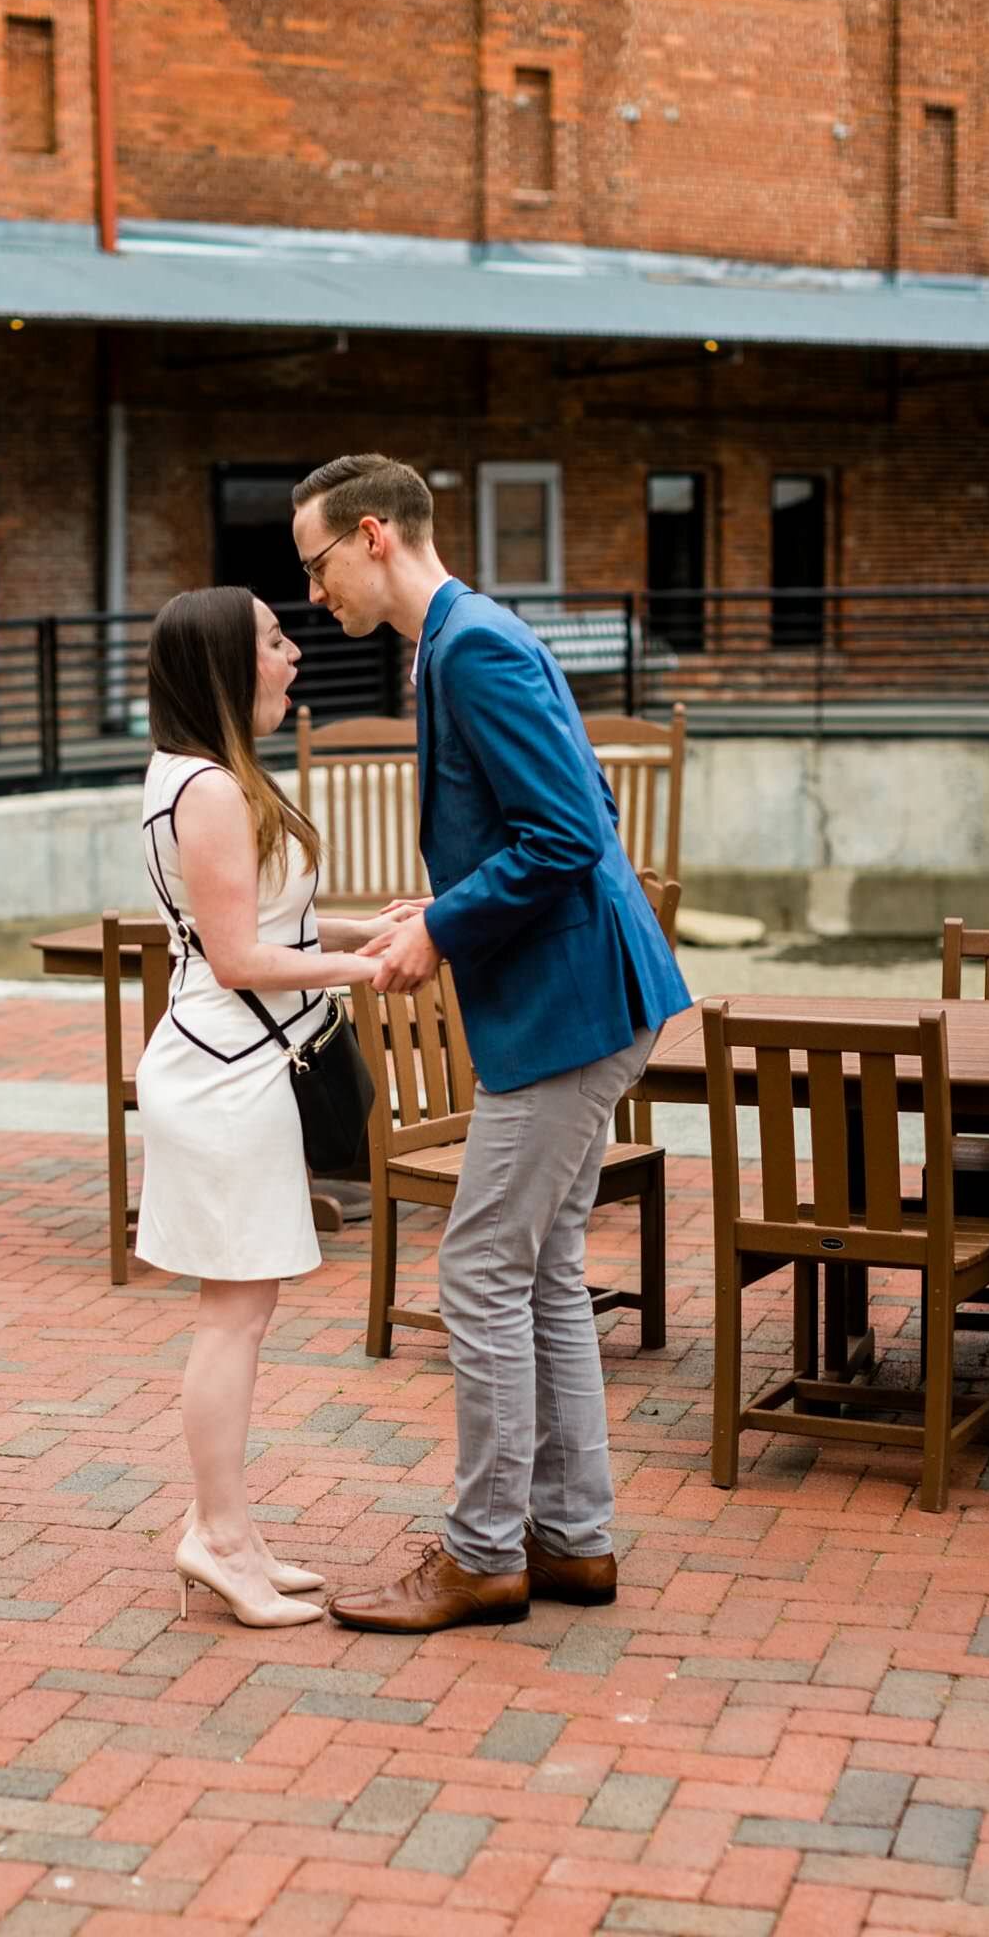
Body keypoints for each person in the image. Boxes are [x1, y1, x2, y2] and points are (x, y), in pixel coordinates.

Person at [291, 455, 691, 1634]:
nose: (316, 596)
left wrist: (451, 925)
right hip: (588, 991)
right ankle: (571, 1541)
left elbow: (571, 832)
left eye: (316, 566)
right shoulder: (463, 638)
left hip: (570, 1004)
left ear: (371, 535)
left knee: (477, 1267)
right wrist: (447, 905)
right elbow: (575, 819)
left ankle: (482, 1555)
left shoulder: (471, 646)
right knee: (543, 1264)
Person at [136, 586, 387, 1629]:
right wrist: (370, 966)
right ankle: (216, 1536)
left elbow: (259, 930)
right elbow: (238, 956)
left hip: (236, 1063)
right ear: (223, 667)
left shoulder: (210, 776)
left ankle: (227, 1528)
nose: (294, 654)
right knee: (232, 1313)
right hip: (223, 1071)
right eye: (276, 641)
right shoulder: (206, 788)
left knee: (244, 1308)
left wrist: (382, 926)